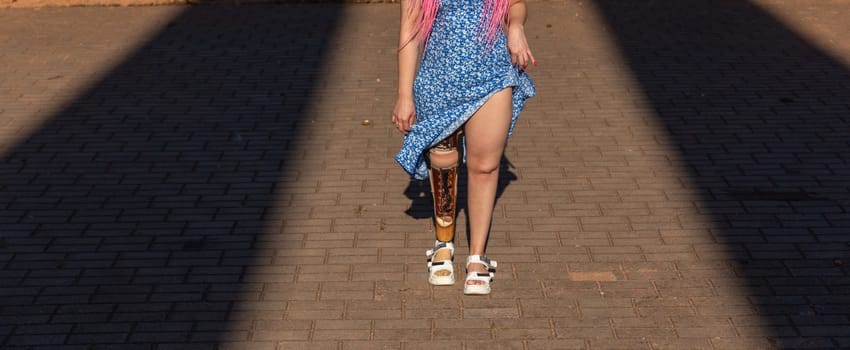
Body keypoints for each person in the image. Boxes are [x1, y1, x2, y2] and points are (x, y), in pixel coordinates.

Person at [392, 0, 535, 295]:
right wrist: (404, 94)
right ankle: (443, 246)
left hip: (492, 77)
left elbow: (517, 5)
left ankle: (476, 258)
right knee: (443, 165)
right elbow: (409, 28)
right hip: (437, 82)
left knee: (485, 167)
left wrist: (516, 26)